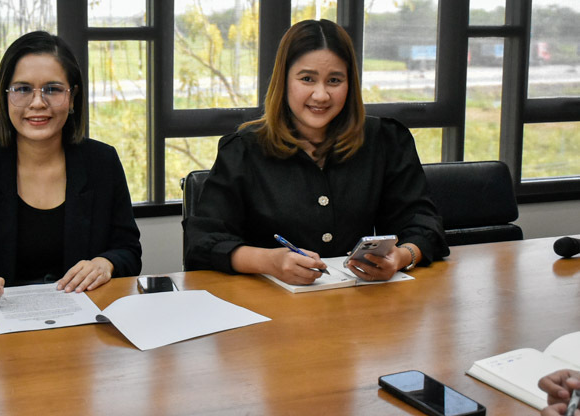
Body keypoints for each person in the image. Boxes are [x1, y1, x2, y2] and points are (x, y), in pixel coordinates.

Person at [184, 19, 449, 284]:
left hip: (361, 297)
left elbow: (424, 225)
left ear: (350, 83)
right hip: (267, 301)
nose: (321, 95)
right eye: (307, 79)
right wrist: (269, 261)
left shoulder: (386, 140)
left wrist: (401, 257)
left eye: (334, 80)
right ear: (284, 81)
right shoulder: (243, 149)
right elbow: (202, 243)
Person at [0, 31, 142, 312]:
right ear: (5, 97)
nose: (38, 103)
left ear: (73, 97)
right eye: (23, 89)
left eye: (53, 89)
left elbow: (128, 250)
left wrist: (105, 263)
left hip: (82, 322)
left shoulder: (102, 162)